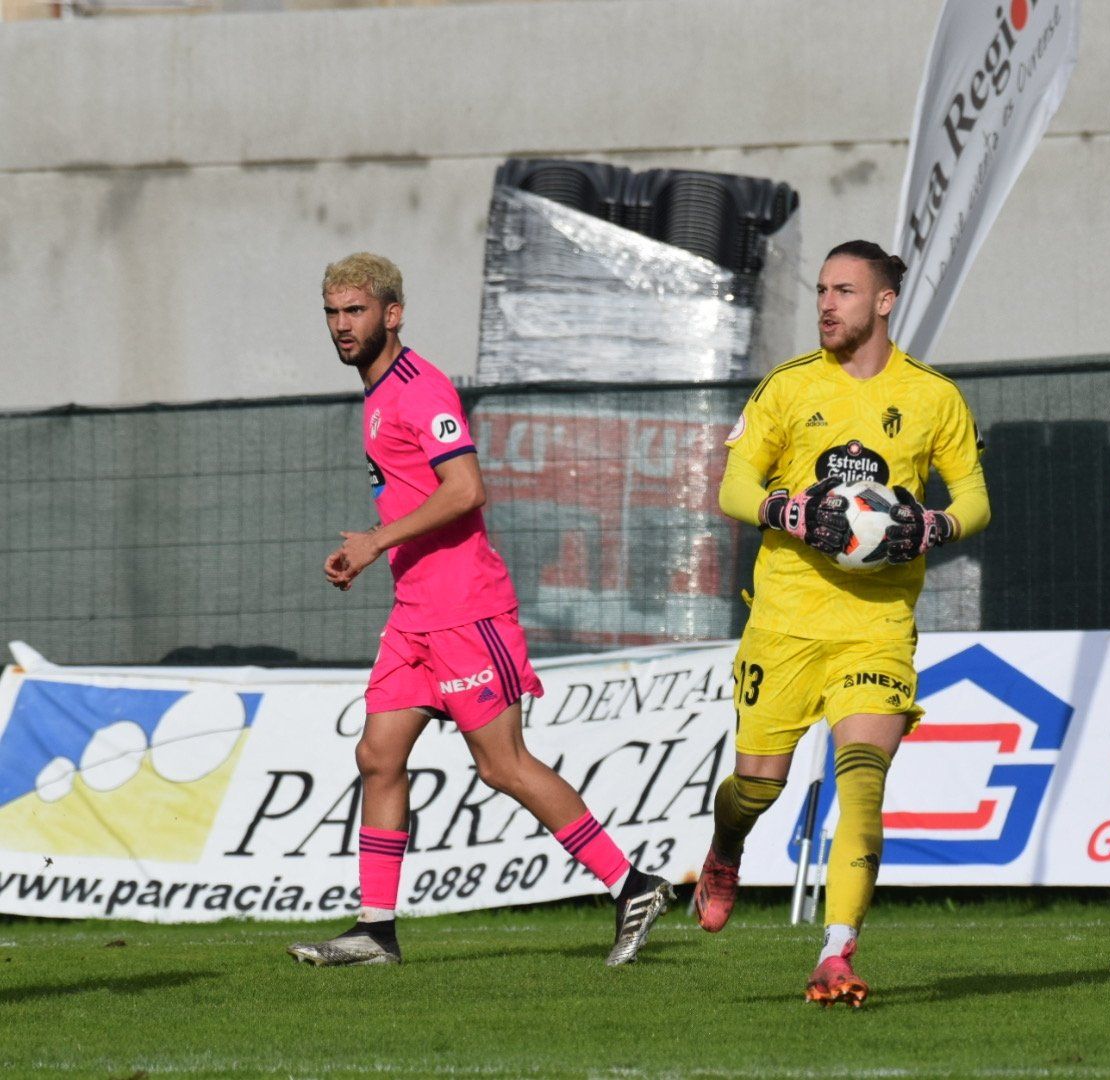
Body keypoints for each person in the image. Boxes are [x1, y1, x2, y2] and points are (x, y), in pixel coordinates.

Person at [287, 253, 672, 967]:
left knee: (503, 765)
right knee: (377, 755)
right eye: (333, 314)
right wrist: (377, 550)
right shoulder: (377, 395)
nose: (343, 326)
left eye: (356, 312)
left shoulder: (418, 389)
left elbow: (466, 490)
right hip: (415, 613)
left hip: (466, 610)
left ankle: (630, 885)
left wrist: (375, 540)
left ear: (392, 314)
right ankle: (376, 930)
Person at [693, 240, 990, 1006]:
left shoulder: (933, 397)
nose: (827, 304)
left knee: (863, 781)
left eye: (845, 291)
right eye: (823, 290)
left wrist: (934, 528)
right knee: (757, 791)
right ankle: (726, 848)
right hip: (785, 622)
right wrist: (787, 510)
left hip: (877, 624)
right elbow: (732, 486)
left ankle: (837, 951)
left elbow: (974, 500)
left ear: (884, 302)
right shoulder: (788, 388)